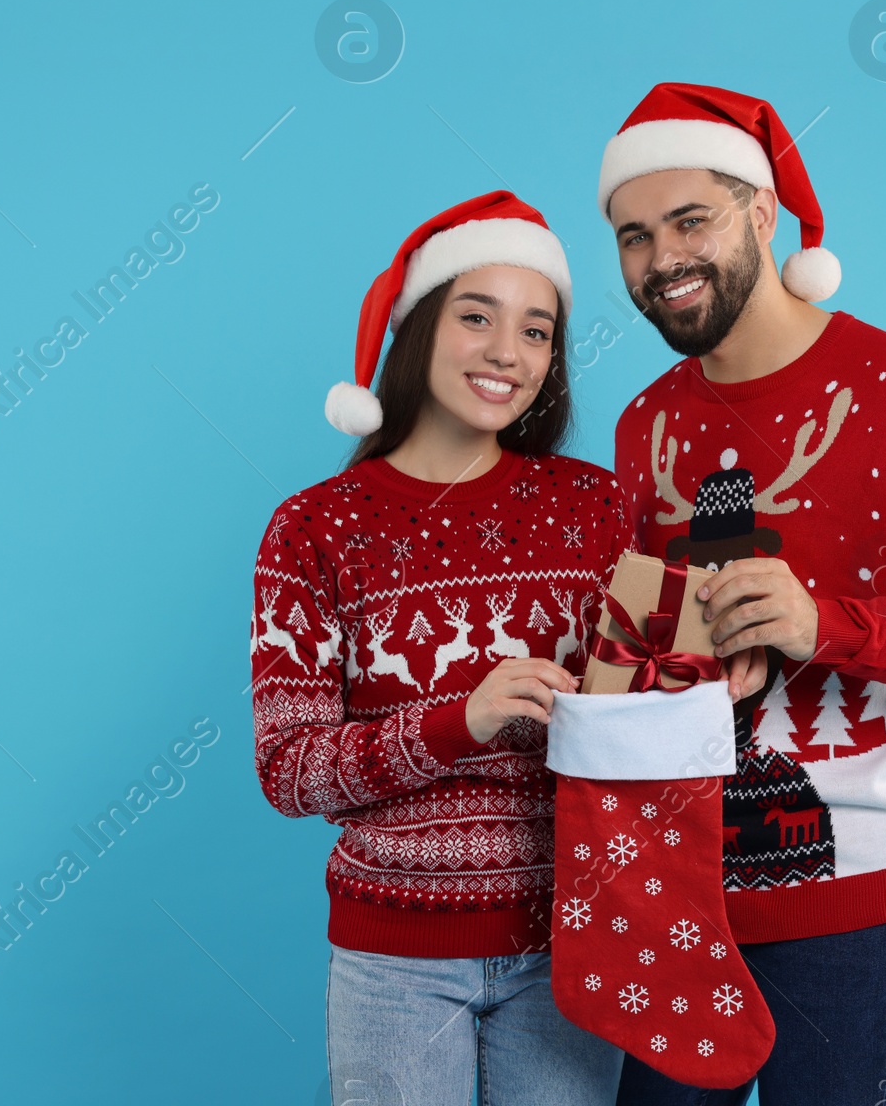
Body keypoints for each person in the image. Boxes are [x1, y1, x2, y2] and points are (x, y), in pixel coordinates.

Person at [599, 84, 886, 1105]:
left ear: (762, 212)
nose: (659, 257)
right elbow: (632, 650)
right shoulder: (644, 427)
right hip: (672, 898)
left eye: (689, 220)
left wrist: (825, 624)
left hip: (856, 903)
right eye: (632, 235)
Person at [250, 190, 632, 1105]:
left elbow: (651, 707)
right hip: (393, 955)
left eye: (537, 331)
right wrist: (462, 720)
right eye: (477, 317)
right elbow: (290, 771)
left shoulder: (601, 509)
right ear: (420, 329)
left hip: (570, 942)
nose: (508, 352)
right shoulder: (314, 530)